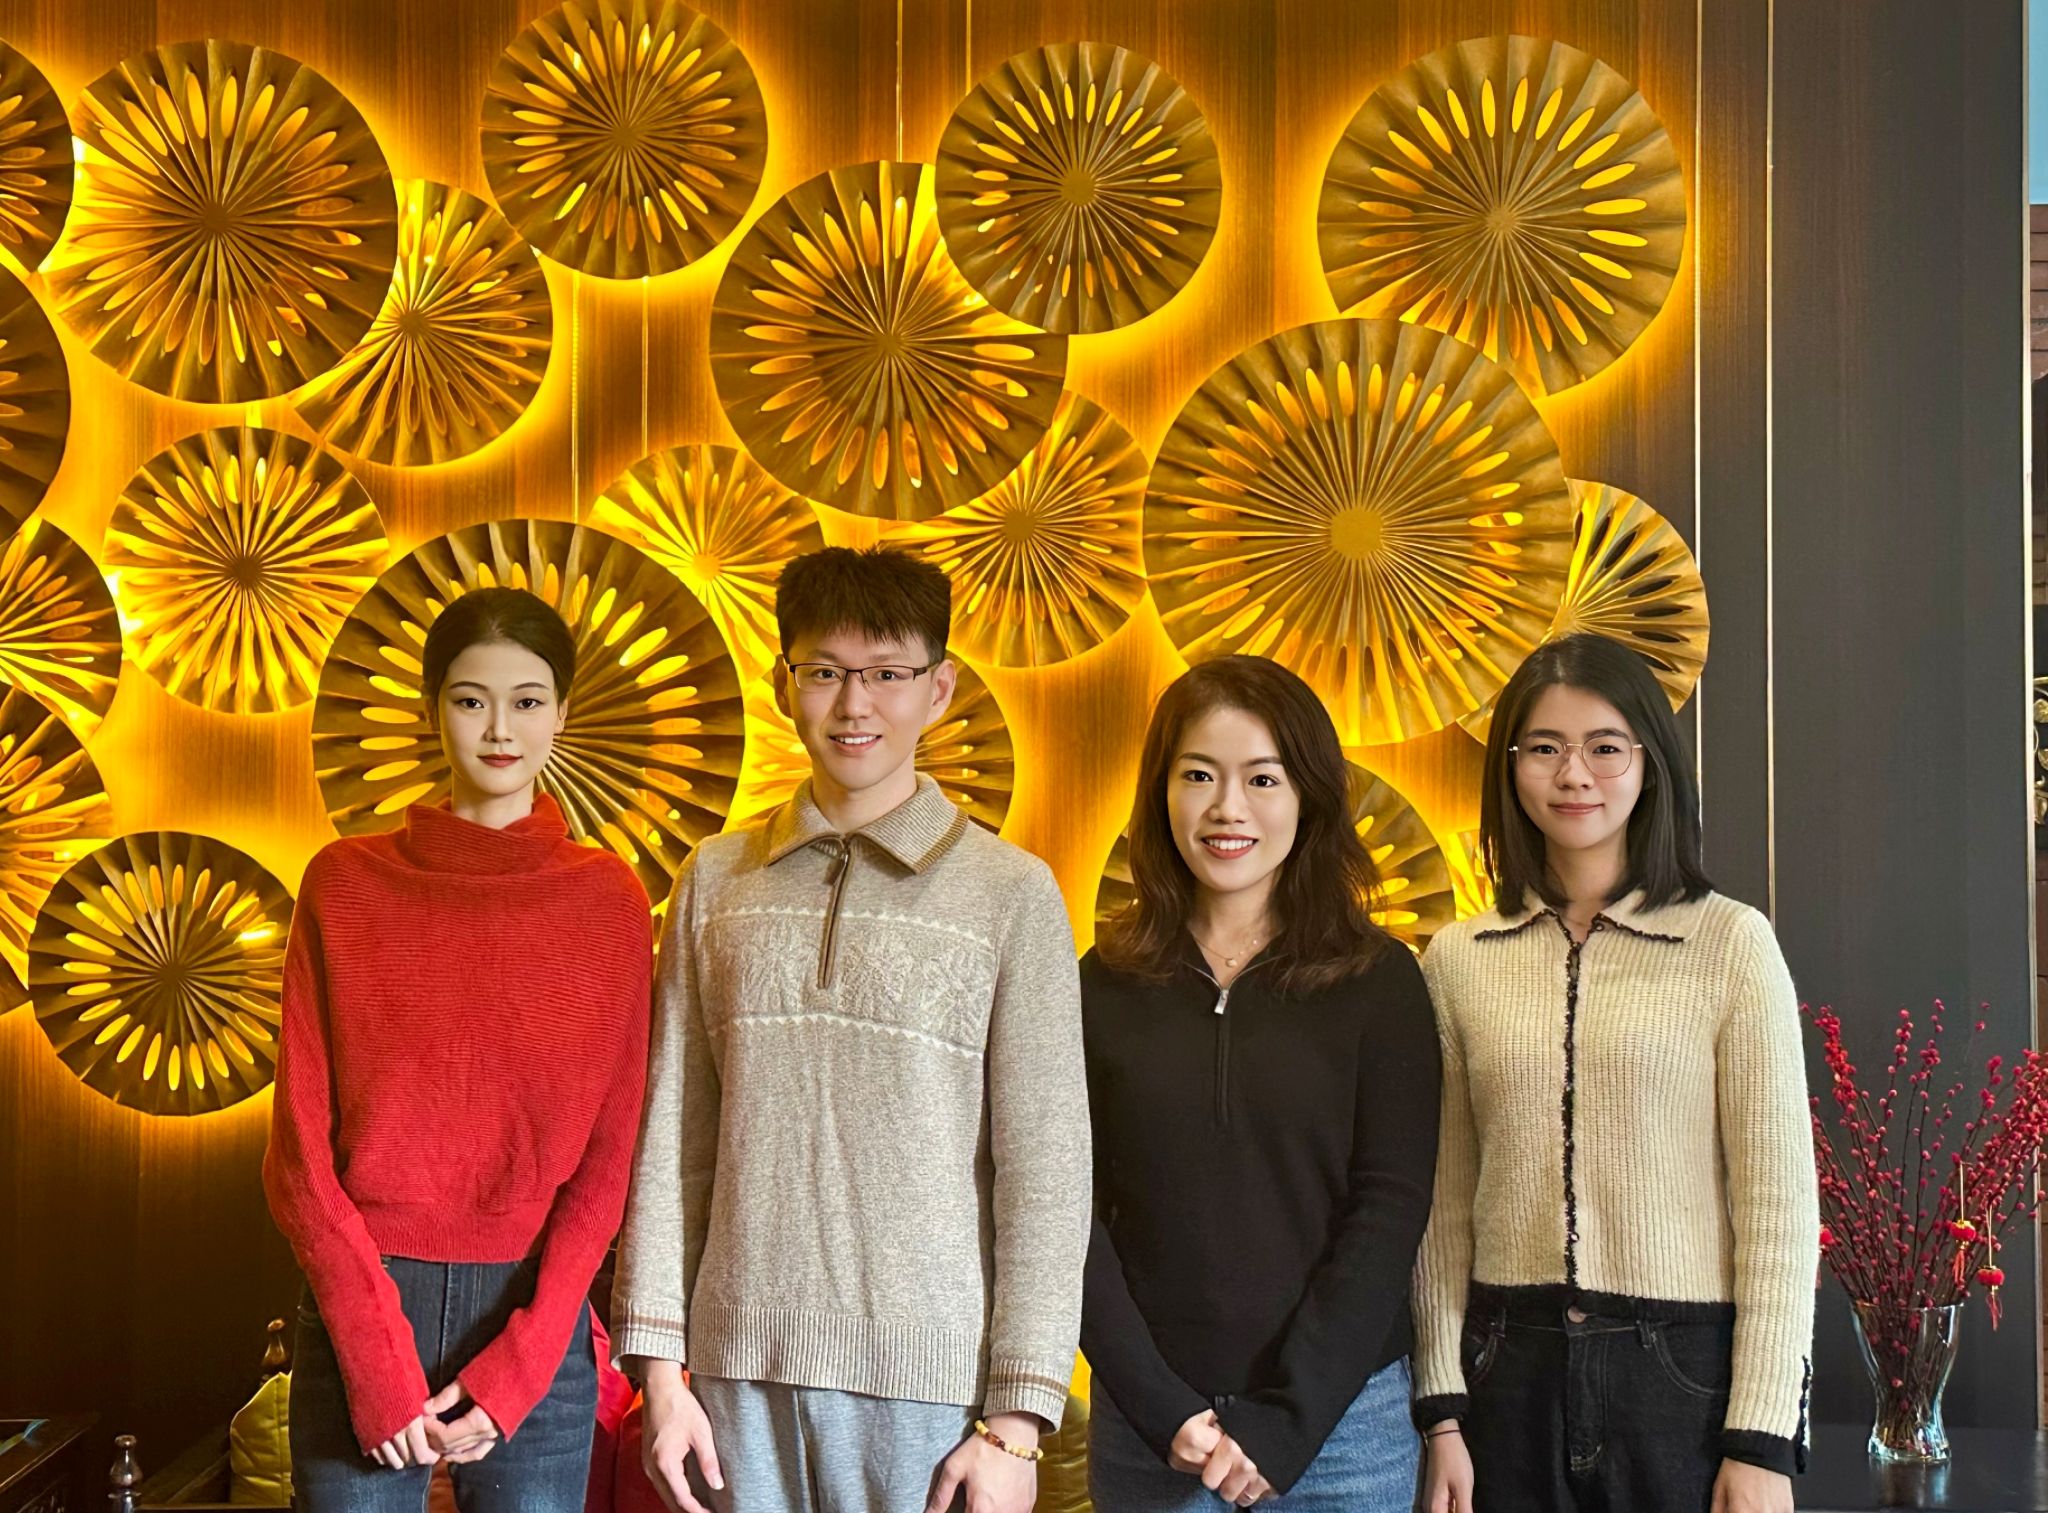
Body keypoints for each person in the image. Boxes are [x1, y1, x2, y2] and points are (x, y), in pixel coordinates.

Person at [612, 545, 1090, 1513]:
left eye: (886, 674)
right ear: (782, 684)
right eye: (825, 672)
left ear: (938, 689)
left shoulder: (1011, 892)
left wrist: (1016, 1423)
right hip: (731, 1374)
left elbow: (1046, 1169)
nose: (853, 704)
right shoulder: (714, 878)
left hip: (934, 1391)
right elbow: (672, 1136)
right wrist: (659, 1373)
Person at [265, 587, 654, 1511]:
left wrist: (525, 1362)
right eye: (472, 699)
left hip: (534, 1310)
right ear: (434, 707)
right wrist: (371, 1348)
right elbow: (297, 1156)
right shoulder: (344, 883)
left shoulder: (609, 901)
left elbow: (608, 1165)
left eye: (527, 700)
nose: (500, 728)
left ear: (562, 712)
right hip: (364, 1292)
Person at [1414, 632, 1817, 1513]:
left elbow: (1779, 1209)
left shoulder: (1730, 943)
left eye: (1604, 746)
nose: (1574, 775)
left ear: (1649, 762)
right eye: (1544, 748)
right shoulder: (1457, 959)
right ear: (1510, 766)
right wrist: (1440, 1409)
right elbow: (1443, 1205)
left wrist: (1762, 1437)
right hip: (1503, 1371)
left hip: (1682, 1375)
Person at [1078, 654, 1439, 1512]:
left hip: (1344, 1433)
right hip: (1154, 1435)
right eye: (1198, 774)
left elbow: (1389, 1210)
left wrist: (1289, 1420)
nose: (1227, 808)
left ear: (1308, 794)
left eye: (1262, 778)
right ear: (1160, 792)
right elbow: (1066, 1208)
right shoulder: (1100, 981)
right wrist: (1157, 1405)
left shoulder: (1380, 979)